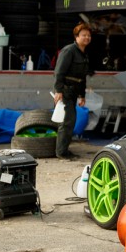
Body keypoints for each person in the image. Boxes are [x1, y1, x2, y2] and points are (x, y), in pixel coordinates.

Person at [52, 23, 92, 160]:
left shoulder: (84, 54)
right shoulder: (69, 51)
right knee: (67, 121)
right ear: (76, 37)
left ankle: (63, 150)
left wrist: (82, 95)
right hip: (65, 91)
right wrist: (58, 90)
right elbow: (59, 72)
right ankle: (62, 152)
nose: (86, 37)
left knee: (70, 121)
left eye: (88, 35)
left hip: (74, 91)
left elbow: (82, 77)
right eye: (83, 35)